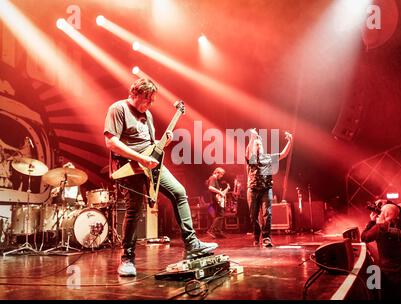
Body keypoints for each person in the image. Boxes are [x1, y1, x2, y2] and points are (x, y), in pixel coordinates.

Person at [104, 78, 218, 276]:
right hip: (130, 166)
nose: (150, 104)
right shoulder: (118, 109)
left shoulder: (147, 115)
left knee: (179, 192)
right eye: (148, 99)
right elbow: (111, 143)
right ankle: (127, 259)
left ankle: (192, 245)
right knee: (135, 208)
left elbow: (148, 143)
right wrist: (140, 158)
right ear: (136, 93)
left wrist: (162, 143)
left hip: (152, 164)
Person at [361, 204, 401, 300]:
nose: (379, 215)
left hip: (388, 273)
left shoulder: (380, 228)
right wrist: (389, 204)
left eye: (381, 213)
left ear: (384, 215)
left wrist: (372, 222)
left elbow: (364, 237)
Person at [245, 128, 292, 247]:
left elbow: (283, 154)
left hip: (266, 189)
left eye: (260, 144)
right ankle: (256, 236)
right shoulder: (251, 158)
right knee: (253, 215)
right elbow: (248, 151)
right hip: (252, 190)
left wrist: (290, 141)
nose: (258, 146)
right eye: (256, 145)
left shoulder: (268, 157)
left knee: (267, 214)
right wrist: (253, 137)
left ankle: (266, 238)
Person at [206, 167, 229, 239]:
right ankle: (212, 230)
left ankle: (218, 232)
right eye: (221, 174)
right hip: (215, 200)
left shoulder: (215, 179)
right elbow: (210, 187)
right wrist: (219, 192)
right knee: (220, 215)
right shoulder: (213, 178)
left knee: (219, 215)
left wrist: (225, 190)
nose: (221, 176)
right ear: (217, 173)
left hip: (216, 199)